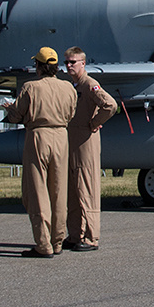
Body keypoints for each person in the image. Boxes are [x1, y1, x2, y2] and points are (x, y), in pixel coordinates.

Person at [4, 47, 76, 258]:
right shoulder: (68, 87)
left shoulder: (30, 87)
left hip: (38, 136)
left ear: (38, 66)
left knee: (37, 191)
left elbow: (17, 115)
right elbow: (71, 113)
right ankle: (57, 241)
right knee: (59, 191)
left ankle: (43, 244)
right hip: (62, 136)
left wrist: (10, 108)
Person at [64, 46, 117, 251]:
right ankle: (75, 233)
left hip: (86, 142)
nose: (68, 65)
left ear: (83, 63)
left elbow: (110, 105)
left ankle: (91, 237)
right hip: (73, 142)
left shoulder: (89, 84)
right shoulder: (73, 86)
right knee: (73, 191)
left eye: (73, 62)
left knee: (87, 189)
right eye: (66, 62)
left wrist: (94, 123)